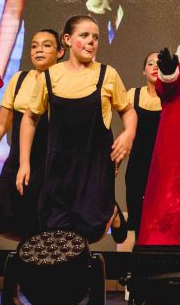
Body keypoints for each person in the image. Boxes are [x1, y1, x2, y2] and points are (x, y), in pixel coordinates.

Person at [16, 15, 137, 243]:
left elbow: (128, 111)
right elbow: (30, 119)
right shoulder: (50, 76)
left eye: (96, 37)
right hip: (59, 167)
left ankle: (111, 211)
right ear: (68, 40)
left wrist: (128, 133)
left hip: (95, 166)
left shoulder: (107, 75)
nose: (92, 41)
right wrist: (24, 163)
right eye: (84, 35)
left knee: (90, 230)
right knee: (58, 235)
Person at [0, 29, 62, 238]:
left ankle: (32, 251)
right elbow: (1, 123)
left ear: (60, 52)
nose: (39, 50)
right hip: (16, 160)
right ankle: (30, 245)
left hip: (48, 163)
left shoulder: (63, 83)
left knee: (40, 223)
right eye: (34, 46)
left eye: (46, 45)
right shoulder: (20, 79)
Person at [124, 51, 162, 235]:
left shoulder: (172, 98)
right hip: (137, 166)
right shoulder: (134, 95)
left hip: (163, 167)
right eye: (150, 63)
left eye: (160, 63)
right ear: (143, 71)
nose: (155, 67)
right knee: (138, 222)